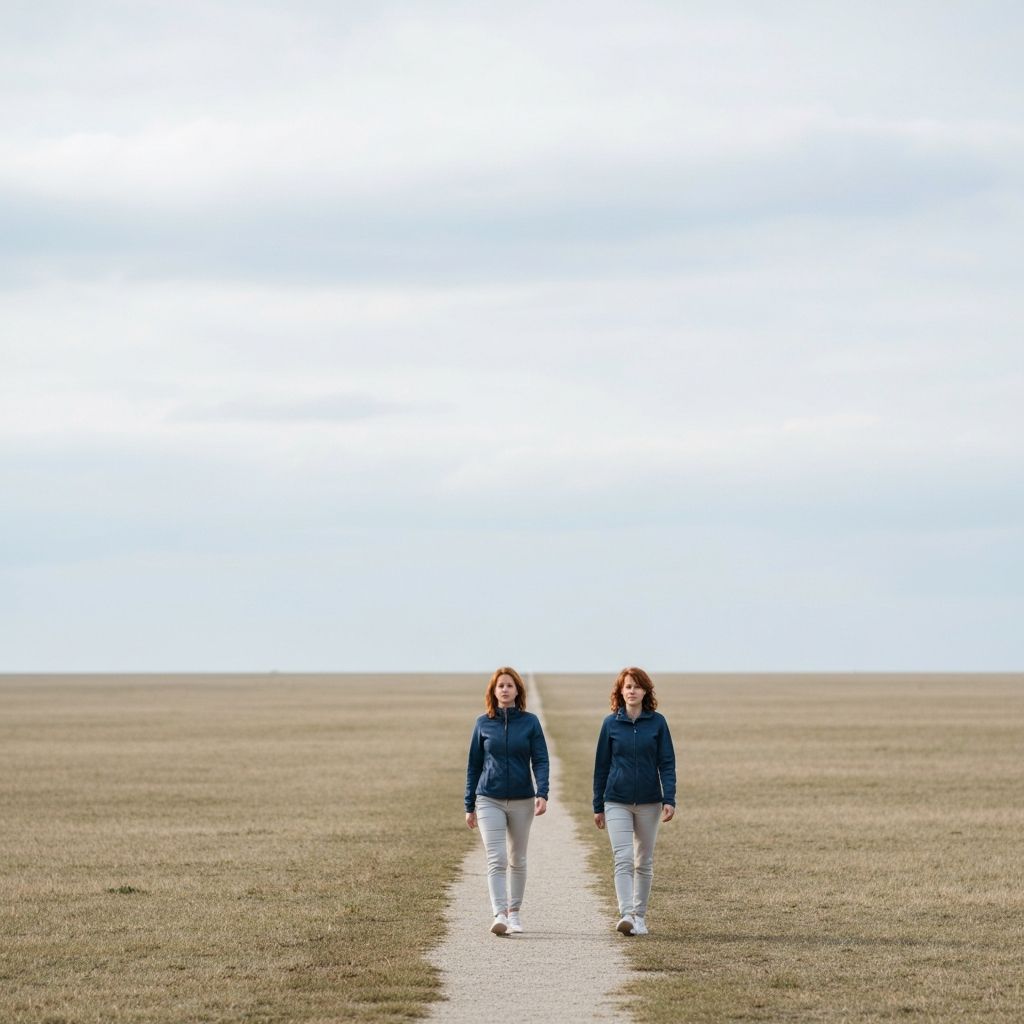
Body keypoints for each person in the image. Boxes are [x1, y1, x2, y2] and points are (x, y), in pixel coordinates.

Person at [465, 667, 550, 936]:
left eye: (509, 685)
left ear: (517, 691)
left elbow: (541, 759)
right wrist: (469, 805)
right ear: (493, 691)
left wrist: (542, 792)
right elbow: (473, 766)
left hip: (523, 799)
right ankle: (499, 913)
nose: (504, 689)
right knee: (496, 857)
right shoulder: (483, 723)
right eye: (500, 685)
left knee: (518, 858)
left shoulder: (530, 722)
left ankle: (514, 913)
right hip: (488, 798)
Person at [593, 667, 676, 936]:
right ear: (620, 691)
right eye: (627, 687)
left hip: (650, 802)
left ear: (645, 692)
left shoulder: (658, 723)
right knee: (623, 858)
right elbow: (601, 766)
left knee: (644, 860)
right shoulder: (610, 724)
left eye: (637, 687)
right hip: (616, 800)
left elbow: (667, 763)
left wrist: (669, 798)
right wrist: (598, 805)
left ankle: (640, 916)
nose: (632, 691)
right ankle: (626, 913)